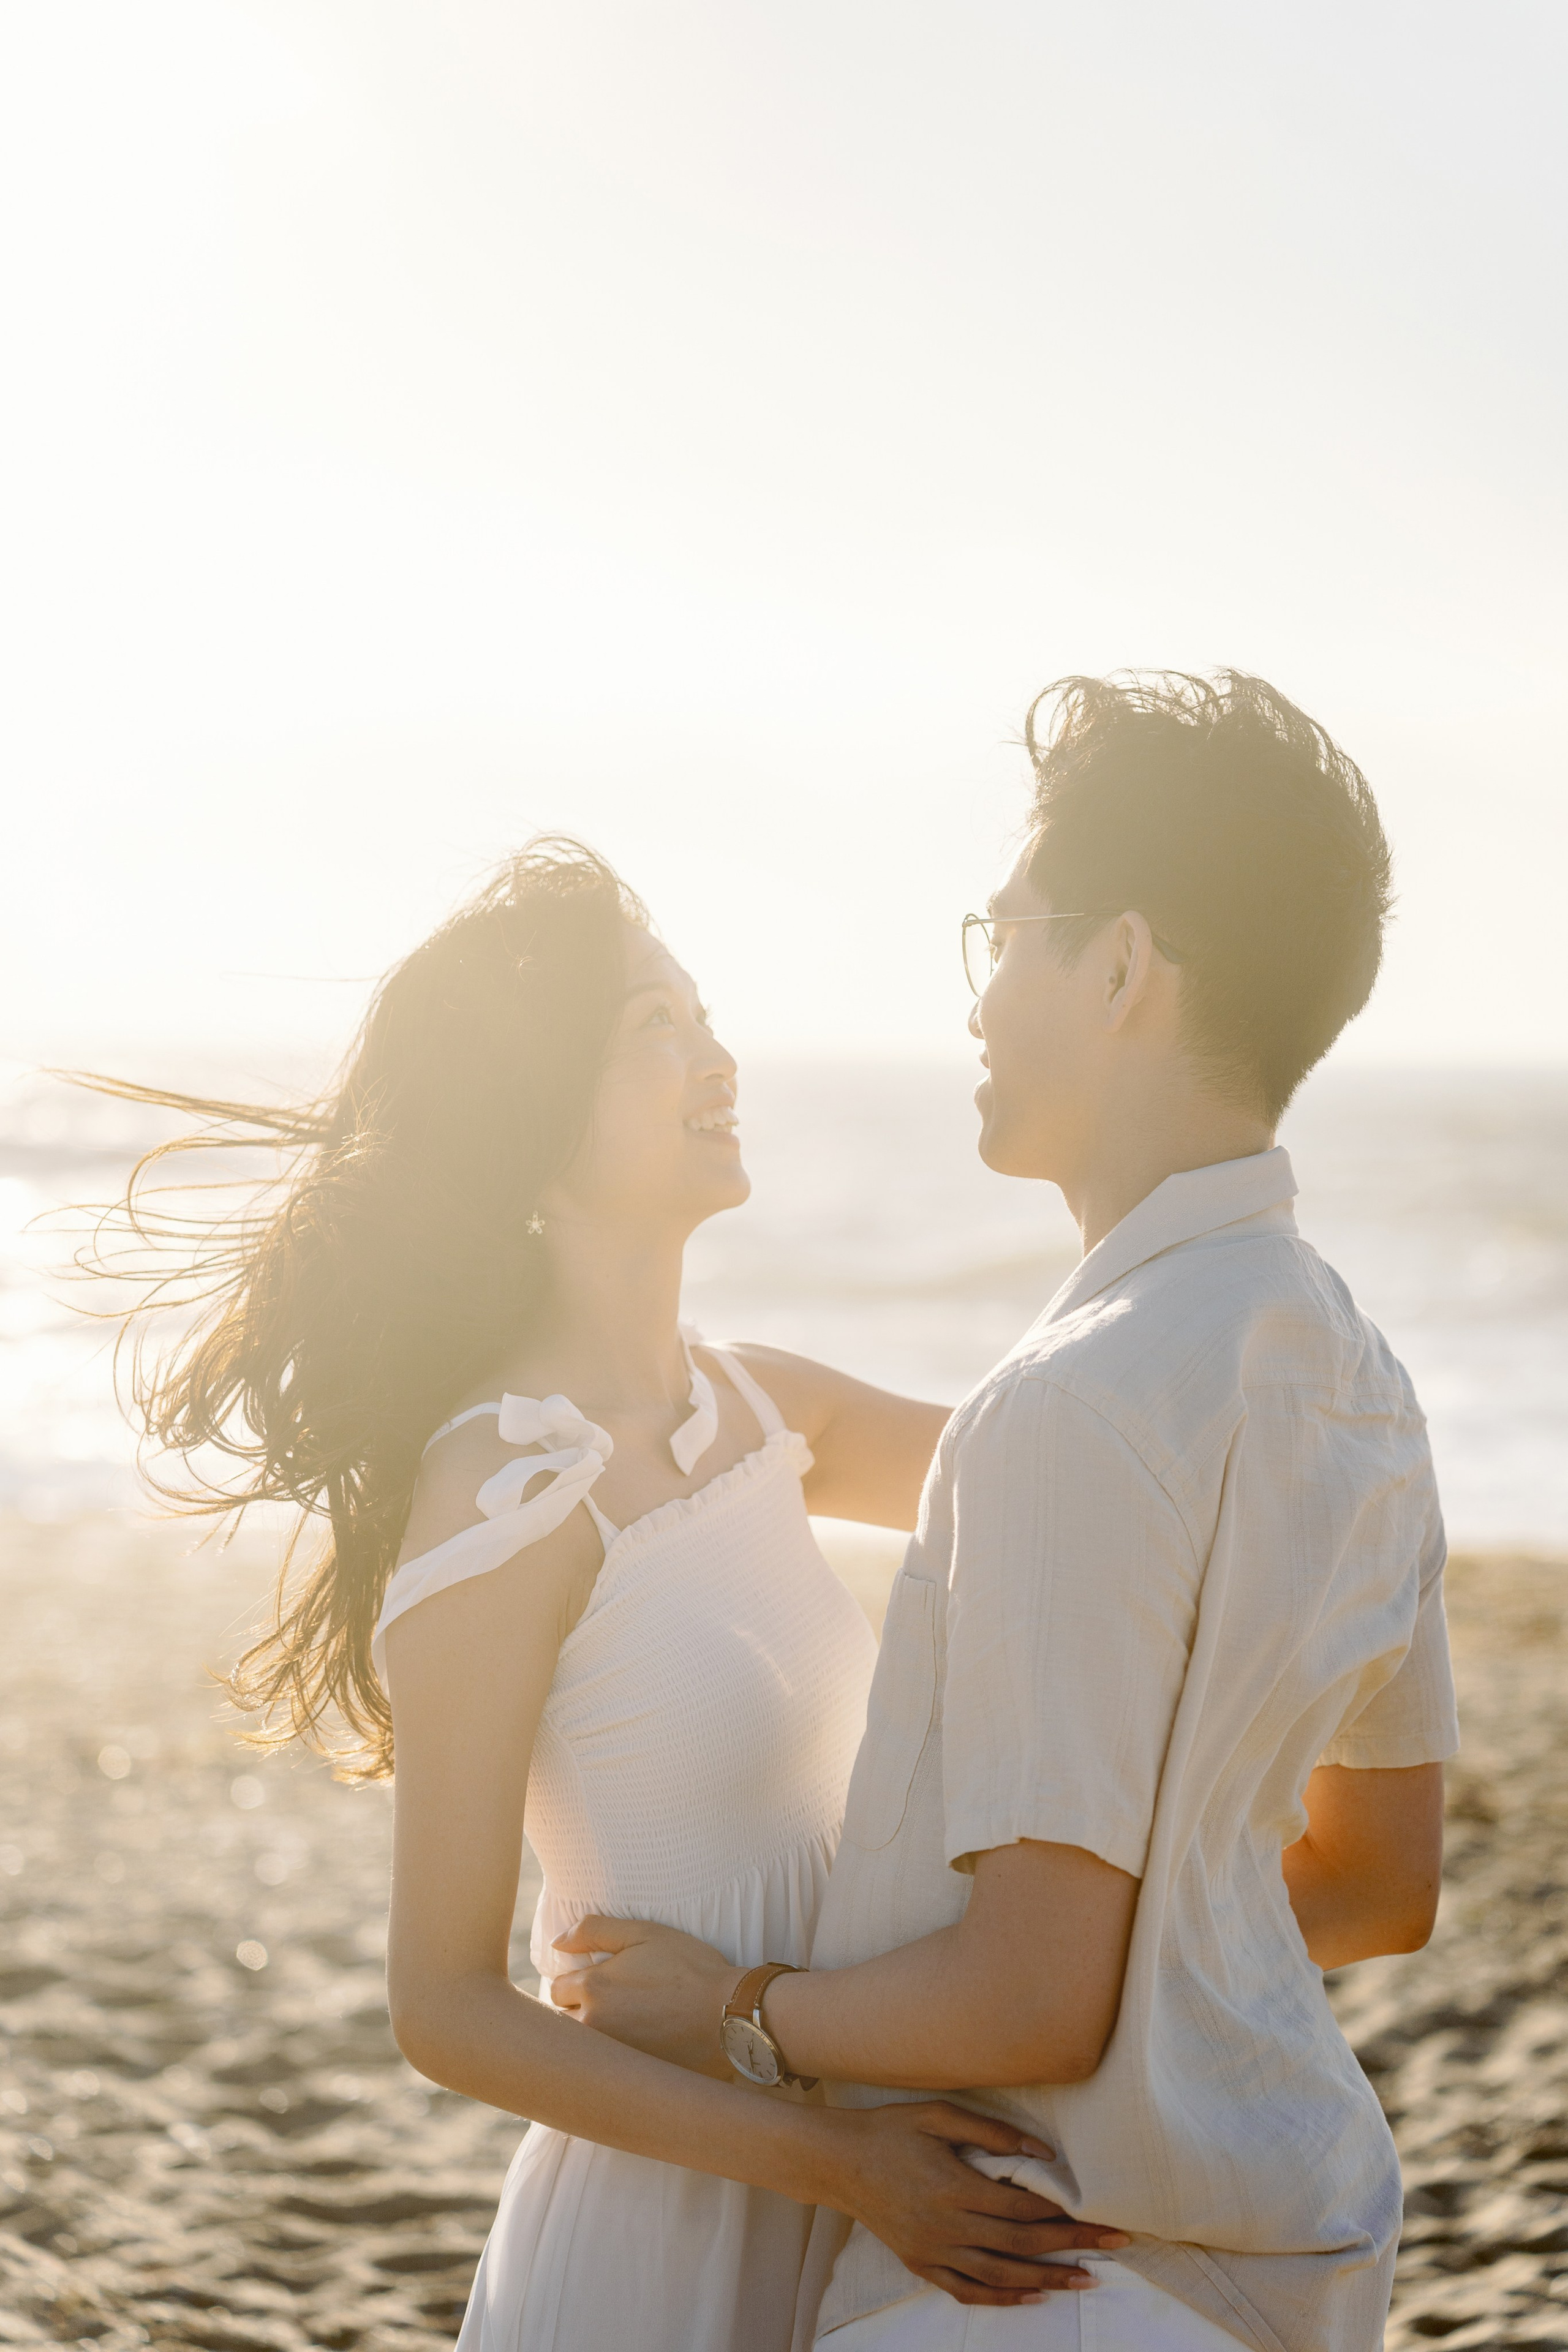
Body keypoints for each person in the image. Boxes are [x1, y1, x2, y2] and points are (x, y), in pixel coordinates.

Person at [78, 838, 1125, 2352]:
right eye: (657, 1027)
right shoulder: (507, 1496)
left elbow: (1083, 1502)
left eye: (704, 1016)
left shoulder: (765, 1413)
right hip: (677, 2228)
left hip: (872, 2181)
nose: (718, 1057)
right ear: (534, 1119)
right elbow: (445, 2006)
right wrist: (837, 2158)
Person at [559, 674, 1460, 2352]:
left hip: (1046, 2279)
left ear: (1120, 967)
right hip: (1284, 2263)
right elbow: (1379, 1879)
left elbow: (1032, 1998)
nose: (979, 1001)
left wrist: (738, 2013)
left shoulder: (1072, 1407)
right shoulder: (1355, 1371)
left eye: (1005, 932)